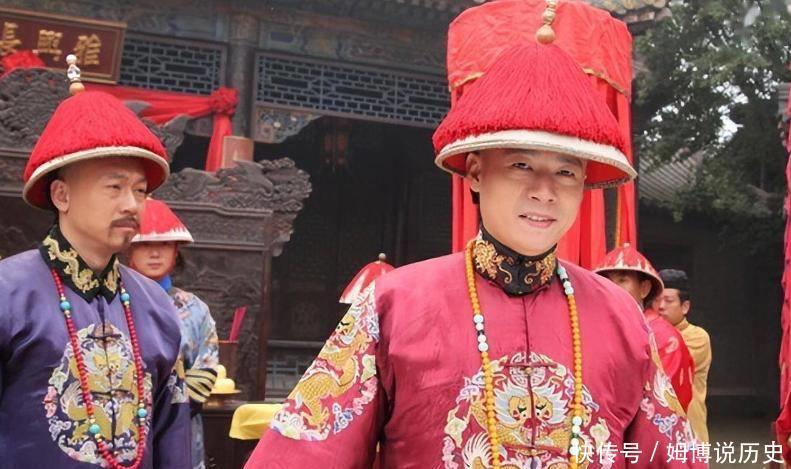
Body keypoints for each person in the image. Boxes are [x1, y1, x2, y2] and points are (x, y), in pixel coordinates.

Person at [244, 9, 702, 469]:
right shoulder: (393, 306)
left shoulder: (621, 317)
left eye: (566, 172)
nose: (545, 191)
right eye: (521, 164)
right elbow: (305, 451)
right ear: (477, 173)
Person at [0, 59, 190, 468]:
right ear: (62, 195)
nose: (131, 204)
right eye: (114, 187)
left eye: (140, 191)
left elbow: (172, 435)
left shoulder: (157, 308)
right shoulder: (7, 294)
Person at [127, 197, 219, 469]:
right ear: (128, 248)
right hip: (121, 426)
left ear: (176, 250)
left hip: (181, 424)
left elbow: (205, 372)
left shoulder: (196, 309)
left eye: (164, 244)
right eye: (145, 244)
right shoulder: (109, 301)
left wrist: (167, 412)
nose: (155, 253)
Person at [594, 244, 695, 412]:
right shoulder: (592, 331)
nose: (611, 287)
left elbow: (664, 406)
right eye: (606, 281)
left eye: (622, 280)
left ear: (644, 288)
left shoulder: (663, 338)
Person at [655, 269, 711, 443]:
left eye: (668, 300)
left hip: (689, 432)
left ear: (685, 306)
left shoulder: (697, 337)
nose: (661, 306)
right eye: (656, 300)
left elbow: (662, 369)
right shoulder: (647, 333)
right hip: (656, 432)